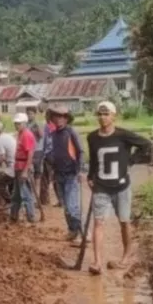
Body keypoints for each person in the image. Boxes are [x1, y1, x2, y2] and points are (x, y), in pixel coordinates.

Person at [86, 101, 150, 275]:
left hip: (121, 186)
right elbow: (93, 159)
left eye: (106, 114)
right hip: (101, 186)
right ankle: (97, 261)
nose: (102, 117)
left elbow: (146, 145)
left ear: (114, 116)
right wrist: (90, 177)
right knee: (98, 222)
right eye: (99, 114)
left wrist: (131, 161)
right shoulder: (92, 137)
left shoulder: (123, 135)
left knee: (124, 222)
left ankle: (126, 256)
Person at [48, 104, 86, 245]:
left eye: (62, 116)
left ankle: (80, 235)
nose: (59, 119)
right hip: (59, 174)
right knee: (66, 206)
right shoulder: (53, 135)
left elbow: (81, 151)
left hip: (71, 174)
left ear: (66, 118)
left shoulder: (71, 132)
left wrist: (80, 170)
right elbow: (52, 153)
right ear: (52, 118)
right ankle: (72, 231)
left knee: (72, 206)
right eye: (56, 116)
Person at [10, 113, 37, 224]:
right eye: (15, 124)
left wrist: (26, 170)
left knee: (25, 194)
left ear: (24, 123)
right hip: (18, 167)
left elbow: (30, 154)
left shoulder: (27, 135)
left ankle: (31, 217)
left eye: (19, 124)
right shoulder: (20, 134)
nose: (16, 126)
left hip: (23, 167)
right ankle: (13, 216)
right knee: (16, 194)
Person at [0, 121, 17, 205]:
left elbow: (2, 158)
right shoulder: (8, 136)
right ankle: (7, 201)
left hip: (12, 167)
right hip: (16, 164)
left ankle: (9, 201)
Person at [42, 113, 63, 207]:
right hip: (55, 155)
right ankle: (60, 200)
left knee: (47, 178)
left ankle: (45, 200)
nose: (46, 118)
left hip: (50, 155)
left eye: (47, 116)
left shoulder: (49, 127)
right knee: (54, 179)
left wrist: (44, 153)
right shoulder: (54, 126)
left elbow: (47, 142)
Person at [26, 107, 45, 204]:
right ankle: (31, 195)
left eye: (31, 113)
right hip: (29, 150)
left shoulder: (39, 124)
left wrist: (37, 128)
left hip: (38, 150)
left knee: (37, 174)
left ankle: (36, 196)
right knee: (30, 172)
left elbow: (41, 135)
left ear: (35, 114)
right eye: (28, 114)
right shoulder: (25, 124)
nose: (30, 115)